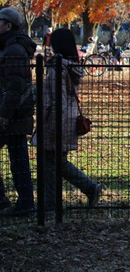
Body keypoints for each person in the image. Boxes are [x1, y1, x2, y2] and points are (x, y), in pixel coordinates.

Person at [32, 29, 102, 211]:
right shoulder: (71, 66)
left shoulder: (58, 67)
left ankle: (59, 200)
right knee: (55, 161)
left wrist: (53, 124)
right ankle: (54, 201)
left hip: (56, 118)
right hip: (68, 117)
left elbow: (57, 98)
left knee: (52, 161)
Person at [0, 6, 36, 216]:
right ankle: (23, 202)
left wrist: (4, 114)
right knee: (18, 159)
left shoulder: (13, 50)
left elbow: (14, 86)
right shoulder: (10, 46)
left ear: (8, 25)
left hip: (13, 113)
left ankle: (23, 202)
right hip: (15, 112)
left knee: (19, 160)